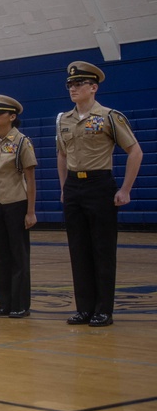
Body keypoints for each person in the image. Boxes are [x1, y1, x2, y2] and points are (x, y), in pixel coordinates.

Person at [56, 61, 142, 327]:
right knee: (78, 249)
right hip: (74, 186)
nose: (73, 88)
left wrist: (125, 188)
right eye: (70, 84)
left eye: (79, 84)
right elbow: (62, 153)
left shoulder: (109, 116)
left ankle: (103, 309)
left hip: (99, 184)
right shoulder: (64, 119)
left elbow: (135, 151)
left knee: (102, 249)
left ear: (93, 87)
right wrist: (63, 187)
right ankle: (84, 308)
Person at [0, 95, 37, 318]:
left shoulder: (22, 142)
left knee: (18, 255)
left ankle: (20, 304)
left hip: (16, 202)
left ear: (12, 117)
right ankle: (4, 303)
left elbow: (30, 178)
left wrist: (30, 211)